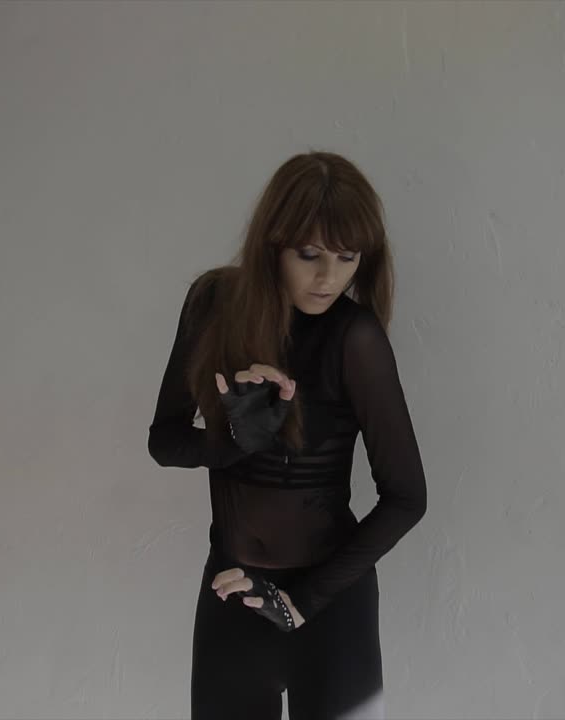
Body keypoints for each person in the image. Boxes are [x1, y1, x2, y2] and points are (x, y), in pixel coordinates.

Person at [147, 151, 428, 719]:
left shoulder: (356, 338)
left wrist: (301, 602)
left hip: (327, 610)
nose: (329, 277)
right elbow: (164, 439)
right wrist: (236, 442)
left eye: (348, 258)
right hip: (233, 594)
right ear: (272, 243)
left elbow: (407, 498)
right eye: (309, 255)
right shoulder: (212, 304)